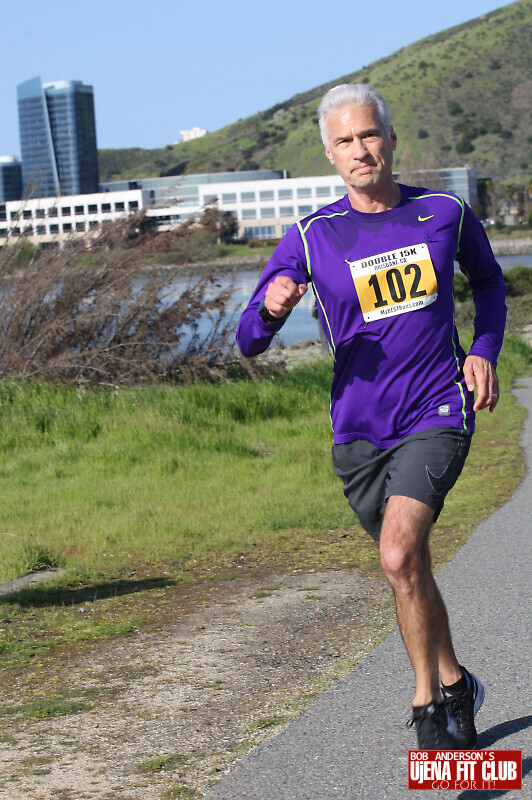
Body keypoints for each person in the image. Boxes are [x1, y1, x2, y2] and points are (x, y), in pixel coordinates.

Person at [236, 83, 506, 750]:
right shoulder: (311, 236)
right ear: (330, 155)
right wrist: (270, 308)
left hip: (438, 408)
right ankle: (457, 681)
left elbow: (490, 282)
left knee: (397, 552)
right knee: (407, 568)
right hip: (358, 431)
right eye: (345, 141)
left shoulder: (444, 212)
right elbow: (248, 340)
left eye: (369, 135)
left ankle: (426, 707)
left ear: (391, 140)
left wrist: (483, 349)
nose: (360, 150)